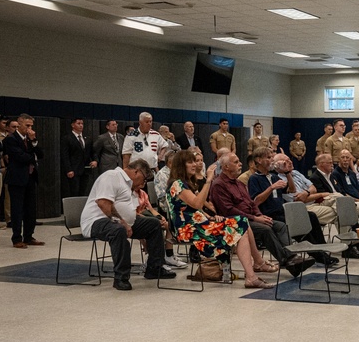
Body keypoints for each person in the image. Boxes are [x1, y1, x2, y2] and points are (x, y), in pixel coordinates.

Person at [168, 150, 274, 288]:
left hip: (199, 223)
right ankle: (253, 272)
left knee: (242, 222)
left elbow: (194, 209)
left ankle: (253, 271)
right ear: (181, 165)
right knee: (241, 223)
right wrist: (208, 181)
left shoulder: (186, 183)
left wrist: (210, 217)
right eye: (190, 162)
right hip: (188, 230)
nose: (194, 165)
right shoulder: (177, 184)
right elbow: (197, 204)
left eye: (195, 161)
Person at [80, 159, 174, 290]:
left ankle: (154, 268)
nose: (143, 183)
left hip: (122, 222)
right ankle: (121, 277)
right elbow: (104, 204)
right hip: (96, 221)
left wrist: (152, 218)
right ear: (136, 171)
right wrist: (123, 223)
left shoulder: (129, 185)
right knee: (118, 230)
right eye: (144, 178)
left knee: (153, 224)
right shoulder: (111, 176)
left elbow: (131, 211)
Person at [2, 113, 44, 249]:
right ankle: (16, 238)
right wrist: (33, 157)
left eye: (31, 125)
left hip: (31, 177)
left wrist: (34, 141)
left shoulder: (30, 139)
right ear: (19, 124)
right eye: (27, 125)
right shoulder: (11, 139)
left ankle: (28, 236)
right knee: (17, 209)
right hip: (17, 178)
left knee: (30, 209)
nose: (30, 128)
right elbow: (20, 157)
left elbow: (41, 154)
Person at [61, 117, 95, 197]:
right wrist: (69, 169)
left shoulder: (87, 138)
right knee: (74, 192)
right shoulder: (67, 138)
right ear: (73, 125)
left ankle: (81, 209)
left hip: (85, 169)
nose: (81, 126)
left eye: (82, 124)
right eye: (78, 123)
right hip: (74, 170)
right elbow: (65, 155)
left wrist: (95, 160)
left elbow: (92, 152)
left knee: (83, 192)